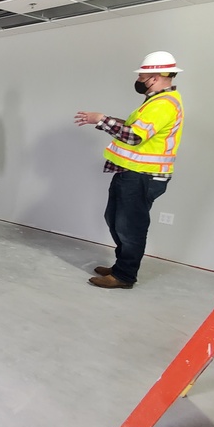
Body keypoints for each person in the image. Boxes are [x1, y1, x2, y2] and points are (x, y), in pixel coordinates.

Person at [74, 51, 186, 289]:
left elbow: (134, 137)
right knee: (114, 220)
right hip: (130, 173)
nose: (140, 79)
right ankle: (121, 266)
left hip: (142, 176)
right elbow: (133, 126)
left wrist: (102, 119)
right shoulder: (155, 102)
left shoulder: (164, 105)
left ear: (155, 77)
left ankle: (124, 276)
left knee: (130, 226)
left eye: (143, 75)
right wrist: (104, 119)